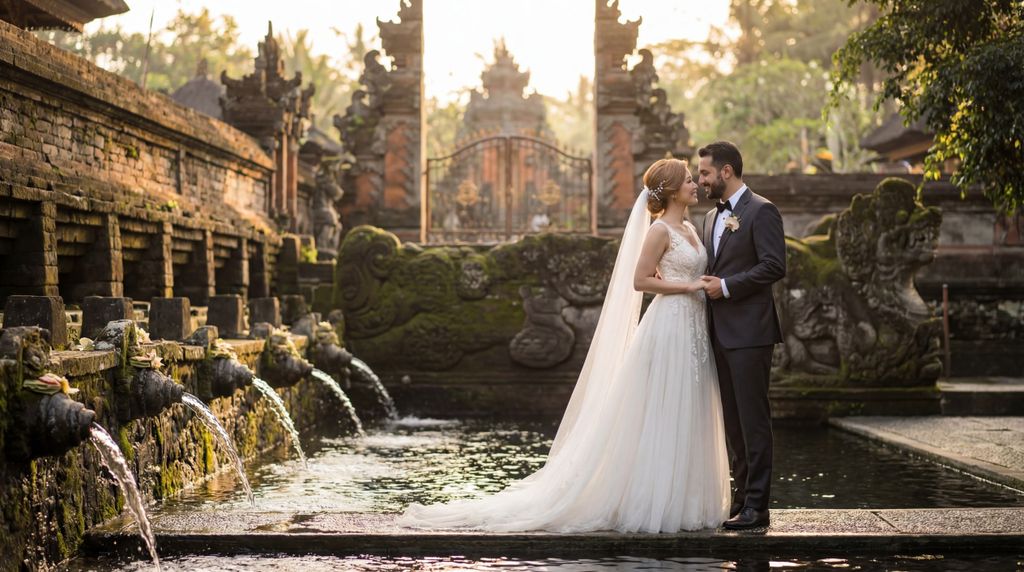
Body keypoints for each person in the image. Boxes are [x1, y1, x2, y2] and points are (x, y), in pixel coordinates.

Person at [398, 158, 731, 533]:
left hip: (694, 327)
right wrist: (687, 286)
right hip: (669, 324)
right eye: (688, 180)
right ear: (671, 190)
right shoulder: (658, 232)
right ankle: (655, 501)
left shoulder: (689, 226)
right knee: (663, 408)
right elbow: (640, 281)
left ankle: (685, 498)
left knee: (690, 405)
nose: (695, 185)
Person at [697, 141, 786, 530]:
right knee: (732, 422)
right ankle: (740, 499)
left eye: (704, 173)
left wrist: (728, 287)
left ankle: (758, 506)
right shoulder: (708, 219)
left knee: (753, 420)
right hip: (717, 333)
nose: (700, 180)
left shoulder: (762, 211)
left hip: (751, 333)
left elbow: (773, 265)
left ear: (726, 171)